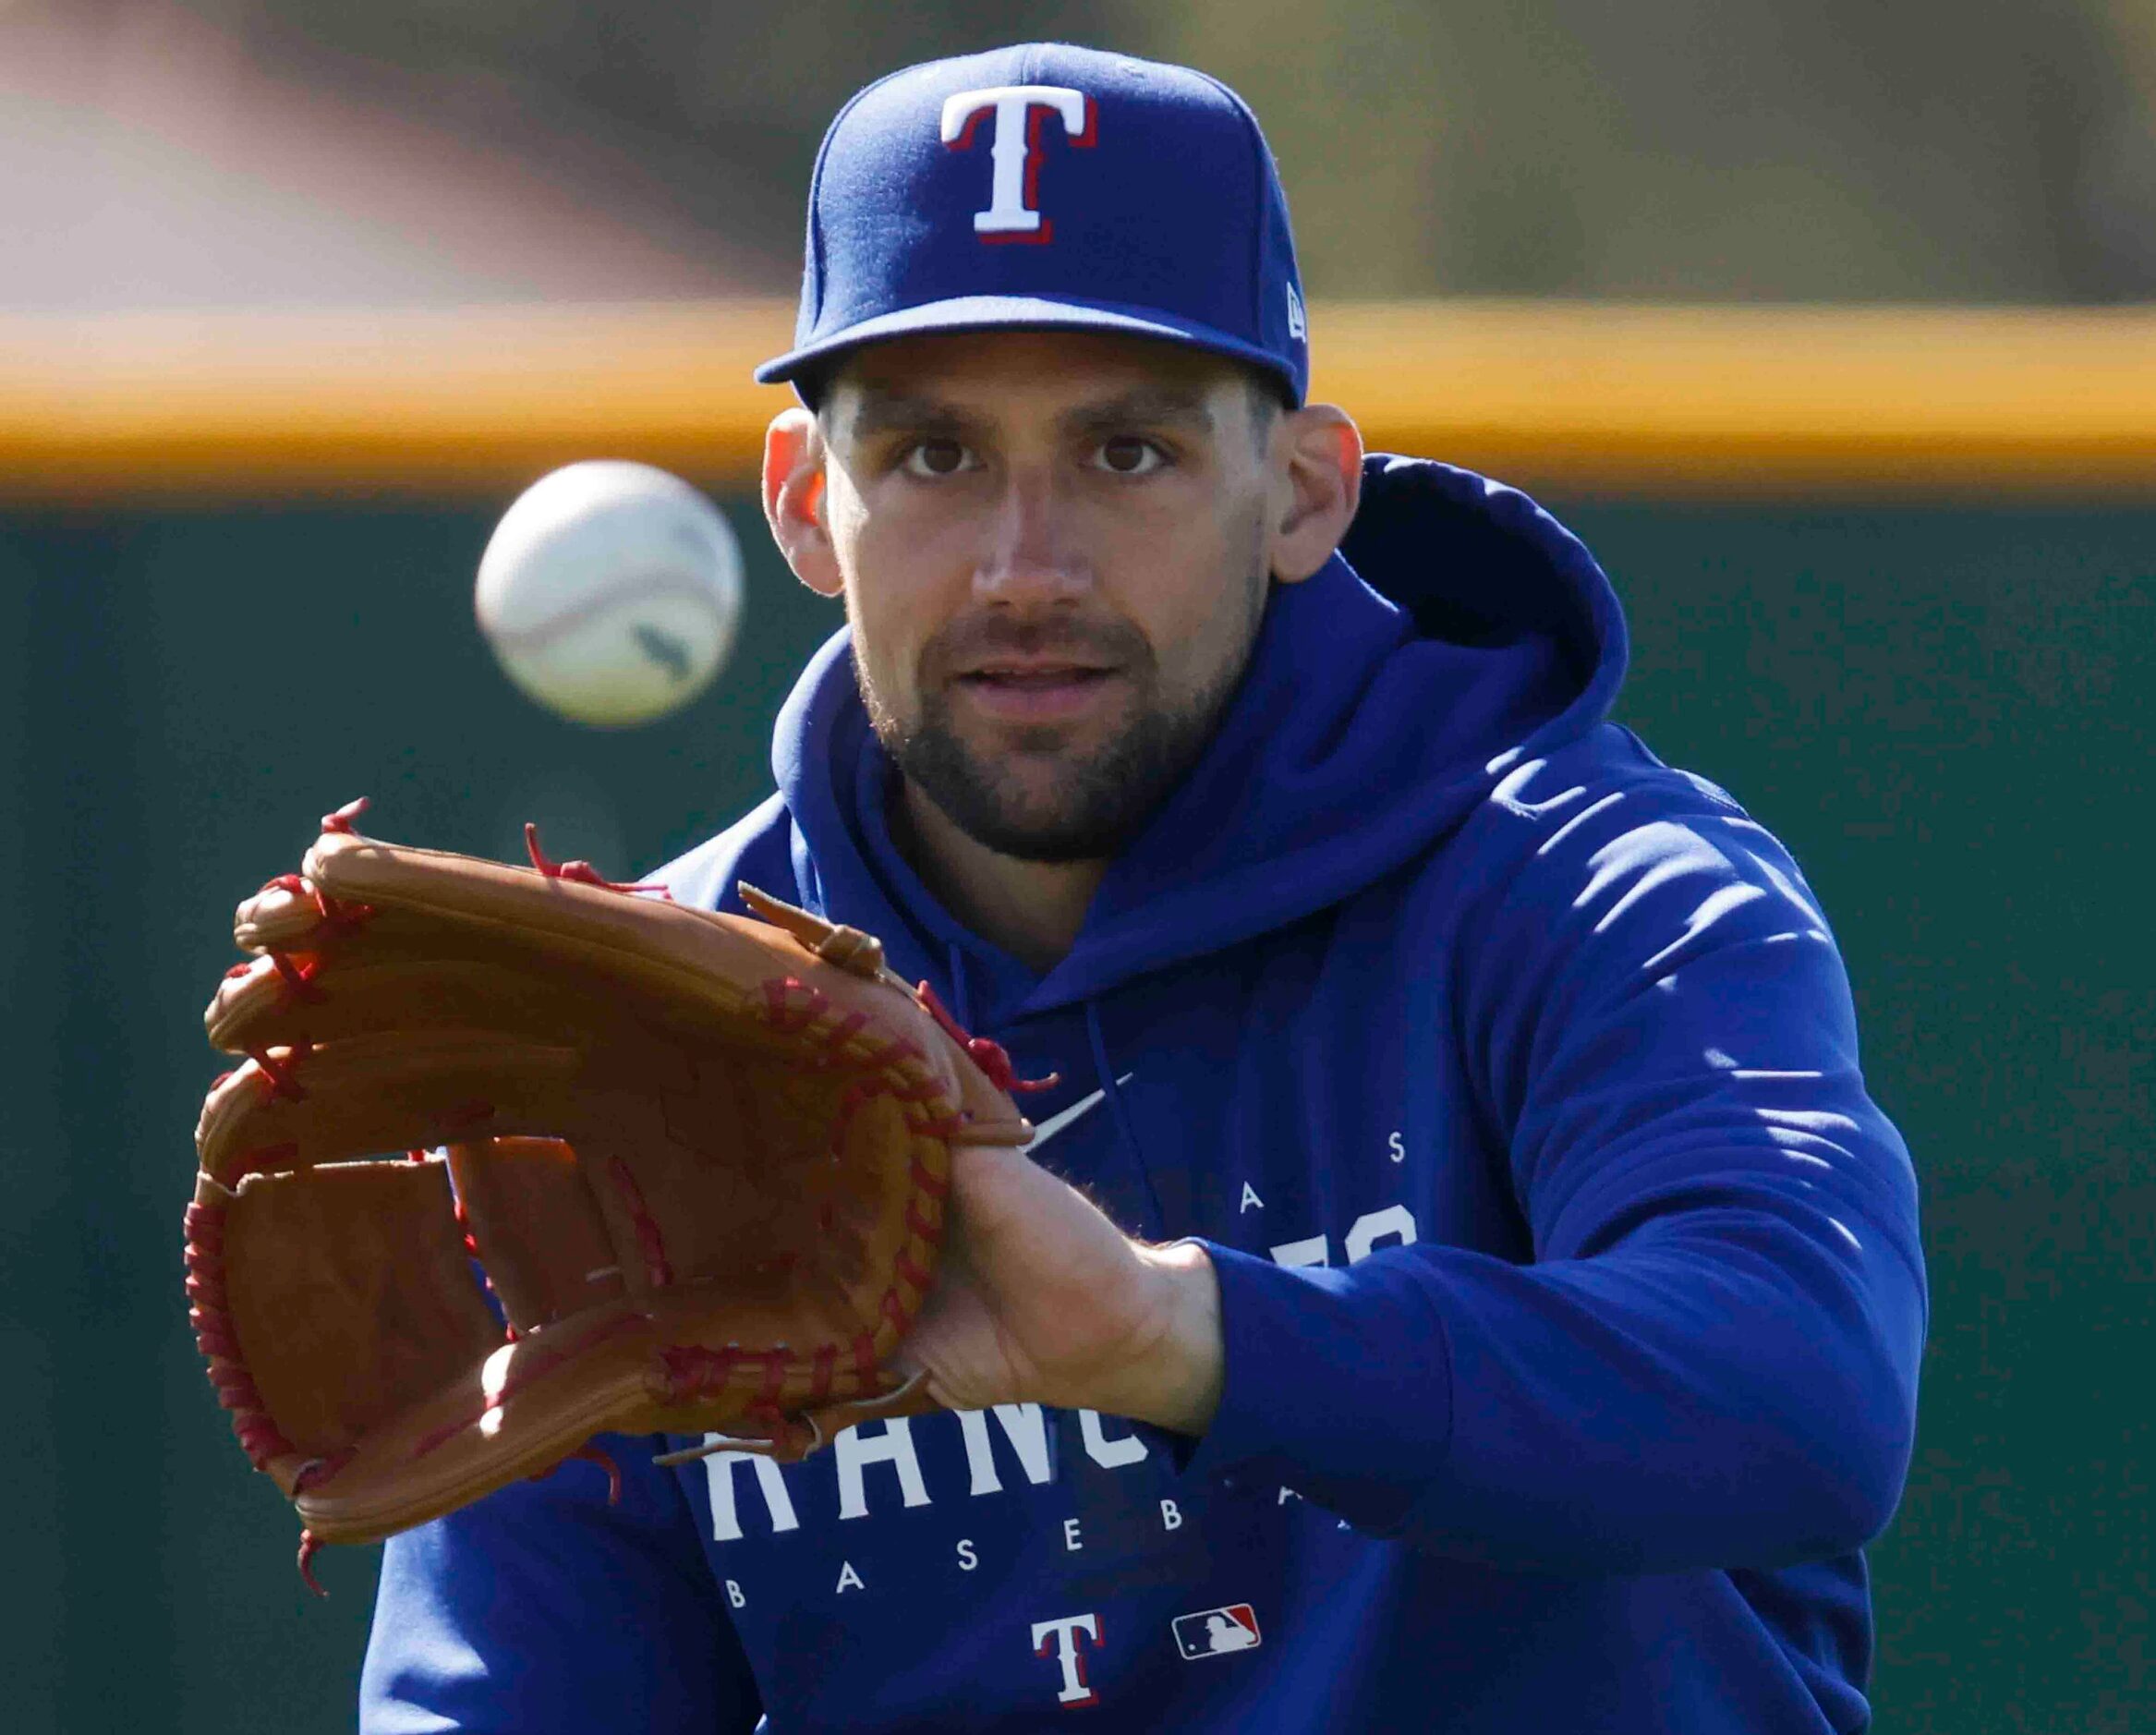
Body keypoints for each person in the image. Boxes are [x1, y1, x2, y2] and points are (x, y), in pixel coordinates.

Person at [362, 42, 1925, 1732]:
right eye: (934, 458)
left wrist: (1174, 1337)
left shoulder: (1582, 884)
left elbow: (1798, 1386)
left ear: (1302, 491)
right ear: (812, 506)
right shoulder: (646, 1057)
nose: (1025, 564)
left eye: (1126, 454)